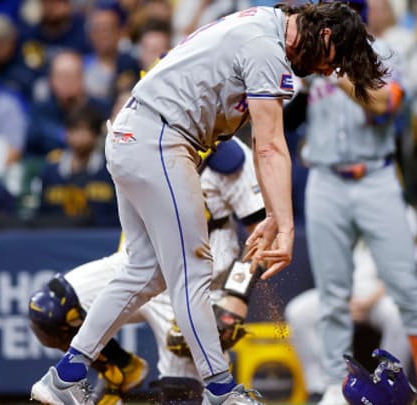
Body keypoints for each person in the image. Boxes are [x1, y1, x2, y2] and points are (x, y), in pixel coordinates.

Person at [30, 3, 386, 405]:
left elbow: (260, 145)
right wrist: (283, 225)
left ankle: (67, 374)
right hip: (161, 138)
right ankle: (220, 389)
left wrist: (271, 214)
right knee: (193, 273)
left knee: (146, 270)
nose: (327, 72)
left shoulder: (263, 24)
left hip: (137, 134)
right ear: (325, 36)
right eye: (334, 62)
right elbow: (269, 145)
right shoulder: (266, 45)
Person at [285, 1, 417, 404]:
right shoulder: (308, 57)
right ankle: (332, 383)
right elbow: (287, 117)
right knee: (332, 293)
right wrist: (305, 74)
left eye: (333, 22)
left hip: (376, 177)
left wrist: (331, 69)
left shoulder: (382, 53)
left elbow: (386, 106)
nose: (325, 29)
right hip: (325, 178)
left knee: (407, 287)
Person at [29, 137, 266, 404]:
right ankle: (120, 369)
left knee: (181, 397)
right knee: (48, 309)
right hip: (136, 268)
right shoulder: (139, 132)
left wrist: (236, 295)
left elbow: (261, 234)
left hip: (194, 283)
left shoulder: (229, 156)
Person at [285, 204, 417, 402]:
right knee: (299, 312)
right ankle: (321, 388)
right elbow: (329, 260)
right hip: (344, 292)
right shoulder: (342, 204)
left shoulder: (404, 212)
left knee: (400, 316)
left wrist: (370, 299)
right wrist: (340, 297)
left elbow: (408, 267)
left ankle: (389, 388)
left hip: (383, 293)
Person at [36, 104, 119, 228]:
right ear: (66, 133)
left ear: (96, 135)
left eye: (85, 130)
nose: (79, 136)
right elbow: (43, 216)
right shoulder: (50, 172)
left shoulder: (110, 170)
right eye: (74, 130)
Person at [26, 51, 110, 157]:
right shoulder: (41, 110)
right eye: (60, 76)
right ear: (51, 81)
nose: (65, 82)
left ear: (82, 78)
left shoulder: (101, 108)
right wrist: (67, 137)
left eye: (70, 76)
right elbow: (31, 143)